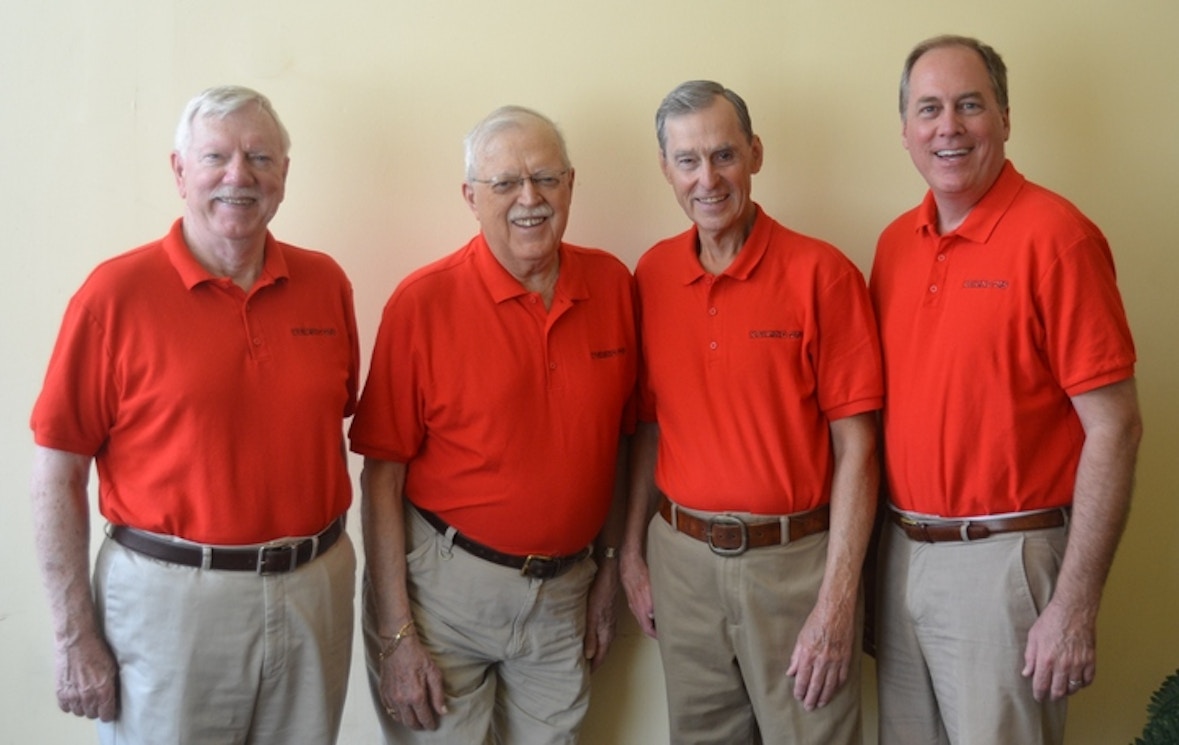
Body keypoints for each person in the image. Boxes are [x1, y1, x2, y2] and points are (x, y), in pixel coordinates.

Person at [28, 85, 359, 744]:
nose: (239, 176)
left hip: (312, 589)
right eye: (216, 157)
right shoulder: (113, 295)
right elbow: (56, 475)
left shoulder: (326, 284)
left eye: (260, 157)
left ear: (284, 176)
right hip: (170, 601)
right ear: (179, 171)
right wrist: (74, 636)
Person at [870, 35, 1143, 745]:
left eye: (969, 105)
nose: (948, 127)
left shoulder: (1058, 237)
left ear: (1005, 118)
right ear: (904, 129)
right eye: (928, 109)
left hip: (1005, 564)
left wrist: (1074, 602)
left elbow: (1115, 425)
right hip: (901, 553)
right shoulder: (895, 245)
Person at [350, 105, 636, 744]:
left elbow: (625, 441)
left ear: (570, 185)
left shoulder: (614, 285)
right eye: (505, 183)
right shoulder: (422, 303)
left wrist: (610, 568)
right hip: (444, 596)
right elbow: (381, 480)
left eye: (546, 179)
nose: (529, 199)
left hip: (567, 591)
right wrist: (396, 633)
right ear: (471, 197)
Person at [618, 80, 883, 745]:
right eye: (687, 160)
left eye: (723, 155)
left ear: (754, 154)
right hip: (680, 562)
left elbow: (859, 449)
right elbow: (649, 429)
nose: (706, 178)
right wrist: (631, 553)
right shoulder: (649, 276)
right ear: (665, 169)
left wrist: (836, 600)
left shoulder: (821, 274)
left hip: (793, 568)